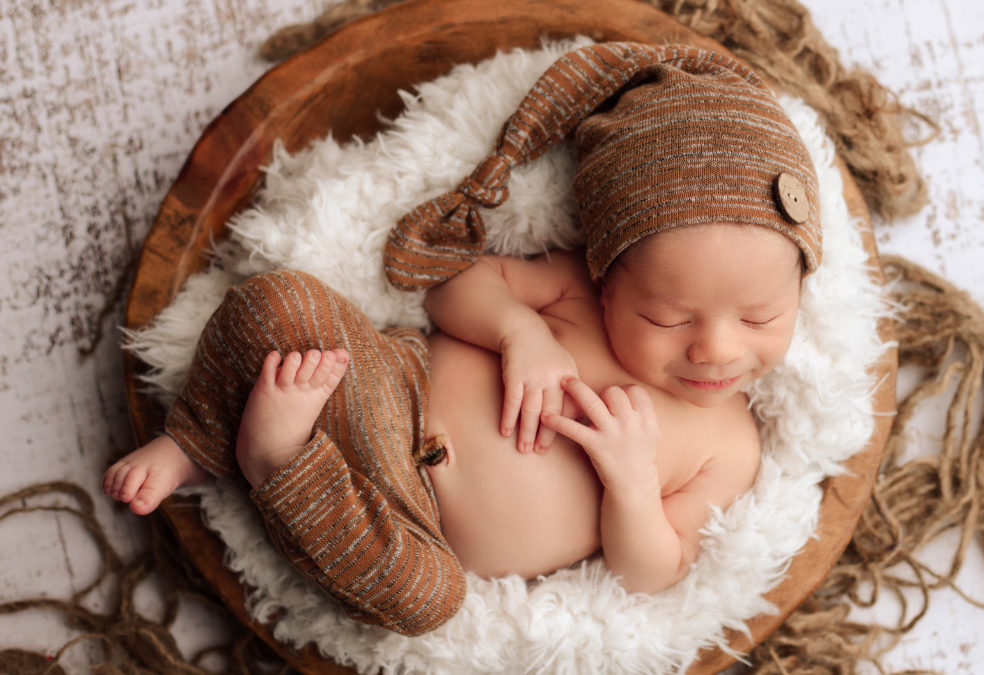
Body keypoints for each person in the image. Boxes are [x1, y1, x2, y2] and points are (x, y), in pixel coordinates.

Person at [102, 41, 821, 636]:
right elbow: (450, 285)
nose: (717, 349)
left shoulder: (730, 444)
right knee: (281, 300)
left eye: (761, 317)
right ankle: (195, 439)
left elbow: (652, 570)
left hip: (416, 526)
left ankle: (274, 458)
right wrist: (520, 330)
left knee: (422, 601)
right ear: (610, 279)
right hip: (381, 386)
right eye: (669, 316)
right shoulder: (572, 284)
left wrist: (632, 485)